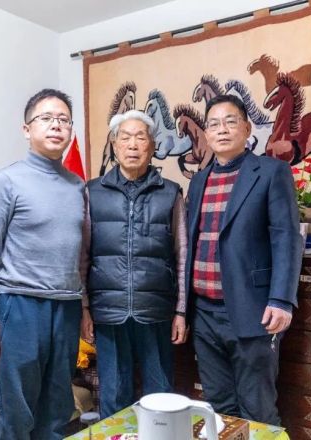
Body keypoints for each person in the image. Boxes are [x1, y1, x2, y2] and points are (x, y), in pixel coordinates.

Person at [0, 88, 87, 439]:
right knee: (17, 409)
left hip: (66, 307)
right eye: (46, 118)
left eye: (64, 119)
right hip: (21, 306)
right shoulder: (5, 182)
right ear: (27, 129)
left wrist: (83, 306)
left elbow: (81, 254)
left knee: (58, 405)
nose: (56, 125)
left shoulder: (77, 186)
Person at [185, 94, 302, 425]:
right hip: (204, 313)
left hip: (252, 310)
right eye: (213, 124)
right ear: (206, 133)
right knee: (219, 406)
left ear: (247, 128)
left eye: (230, 121)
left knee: (257, 409)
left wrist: (281, 299)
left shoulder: (271, 172)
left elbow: (286, 237)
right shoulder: (199, 181)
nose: (221, 130)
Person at [80, 109, 188, 418]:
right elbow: (82, 256)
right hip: (108, 312)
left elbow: (182, 254)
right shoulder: (92, 192)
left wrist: (181, 311)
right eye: (125, 137)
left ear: (152, 146)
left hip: (156, 311)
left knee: (161, 395)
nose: (132, 144)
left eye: (140, 137)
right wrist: (84, 308)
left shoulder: (170, 192)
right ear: (114, 146)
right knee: (113, 397)